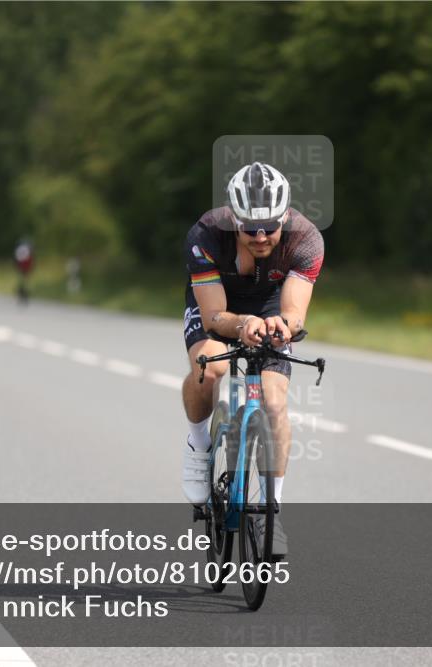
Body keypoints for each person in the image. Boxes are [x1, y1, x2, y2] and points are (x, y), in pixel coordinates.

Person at [180, 162, 324, 557]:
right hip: (218, 304)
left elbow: (295, 312)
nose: (260, 236)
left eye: (270, 227)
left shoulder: (305, 239)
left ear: (285, 218)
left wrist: (283, 326)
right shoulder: (207, 234)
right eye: (249, 228)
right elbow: (213, 317)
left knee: (275, 402)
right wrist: (241, 324)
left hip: (270, 303)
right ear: (234, 220)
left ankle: (270, 510)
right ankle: (198, 445)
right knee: (212, 367)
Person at [14, 238, 34, 304]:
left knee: (22, 282)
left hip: (21, 268)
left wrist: (17, 267)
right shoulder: (28, 249)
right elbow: (30, 260)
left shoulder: (20, 249)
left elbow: (17, 259)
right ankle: (24, 295)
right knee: (26, 283)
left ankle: (21, 295)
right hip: (26, 268)